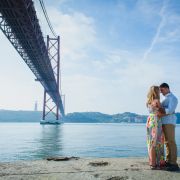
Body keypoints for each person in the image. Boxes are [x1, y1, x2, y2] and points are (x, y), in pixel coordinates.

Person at [158, 83, 179, 171]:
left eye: (162, 90)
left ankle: (173, 163)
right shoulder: (165, 98)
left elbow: (170, 110)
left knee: (171, 141)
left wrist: (159, 108)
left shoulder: (173, 98)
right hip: (164, 122)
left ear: (167, 88)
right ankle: (168, 160)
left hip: (169, 122)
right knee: (167, 142)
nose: (161, 92)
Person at [146, 86, 165, 170]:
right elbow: (162, 112)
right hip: (156, 122)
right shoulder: (157, 101)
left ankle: (152, 163)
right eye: (158, 91)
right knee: (155, 143)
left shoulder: (148, 102)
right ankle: (154, 164)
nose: (160, 92)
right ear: (156, 92)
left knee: (151, 142)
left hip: (150, 121)